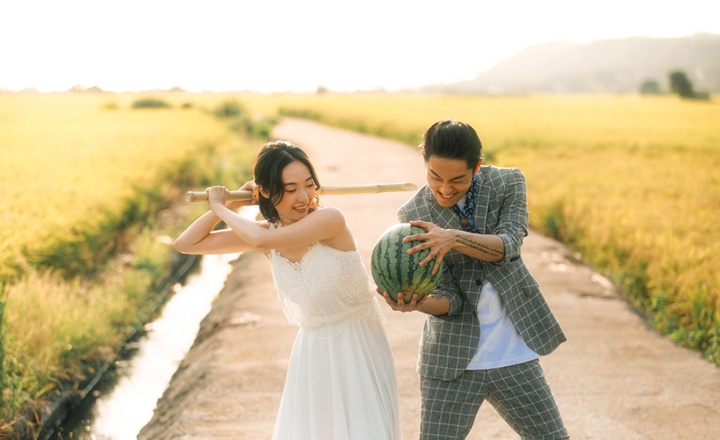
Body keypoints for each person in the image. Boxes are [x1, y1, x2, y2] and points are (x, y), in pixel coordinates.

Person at [175, 140, 402, 440]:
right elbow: (186, 243)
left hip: (357, 343)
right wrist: (230, 204)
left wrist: (217, 205)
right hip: (313, 352)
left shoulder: (329, 219)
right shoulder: (268, 234)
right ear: (266, 191)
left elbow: (262, 240)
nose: (304, 197)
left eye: (308, 185)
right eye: (291, 188)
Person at [378, 119, 569, 440]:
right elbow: (449, 299)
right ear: (424, 162)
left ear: (477, 166)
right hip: (451, 361)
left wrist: (452, 238)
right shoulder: (412, 214)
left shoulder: (508, 183)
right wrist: (419, 302)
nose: (444, 188)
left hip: (514, 353)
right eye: (434, 176)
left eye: (458, 180)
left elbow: (509, 245)